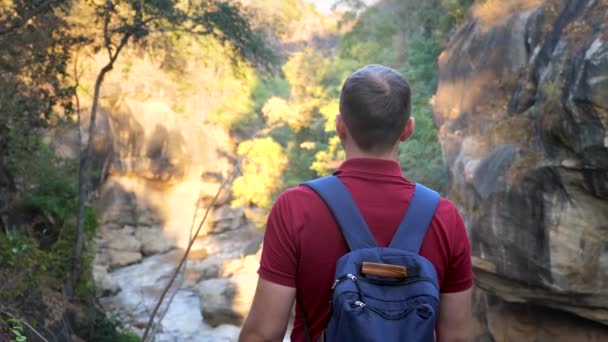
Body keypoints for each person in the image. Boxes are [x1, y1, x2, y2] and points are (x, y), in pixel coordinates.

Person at [239, 65, 473, 342]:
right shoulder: (444, 217)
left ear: (340, 127)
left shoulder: (296, 208)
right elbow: (456, 337)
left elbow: (263, 334)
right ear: (407, 129)